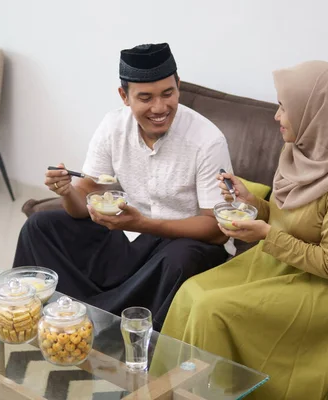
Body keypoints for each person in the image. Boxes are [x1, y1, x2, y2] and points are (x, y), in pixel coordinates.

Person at [161, 60, 328, 399]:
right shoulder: (298, 151)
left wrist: (265, 234)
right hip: (280, 262)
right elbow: (289, 218)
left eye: (284, 108)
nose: (277, 117)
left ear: (315, 115)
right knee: (190, 291)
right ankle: (172, 393)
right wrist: (252, 201)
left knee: (212, 310)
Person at [13, 43, 232, 330]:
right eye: (145, 97)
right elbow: (84, 198)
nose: (159, 108)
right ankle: (34, 317)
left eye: (168, 93)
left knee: (180, 259)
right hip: (132, 236)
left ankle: (99, 325)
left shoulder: (207, 141)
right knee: (40, 227)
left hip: (187, 242)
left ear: (179, 86)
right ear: (124, 96)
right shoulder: (113, 127)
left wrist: (144, 223)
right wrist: (67, 192)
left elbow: (216, 229)